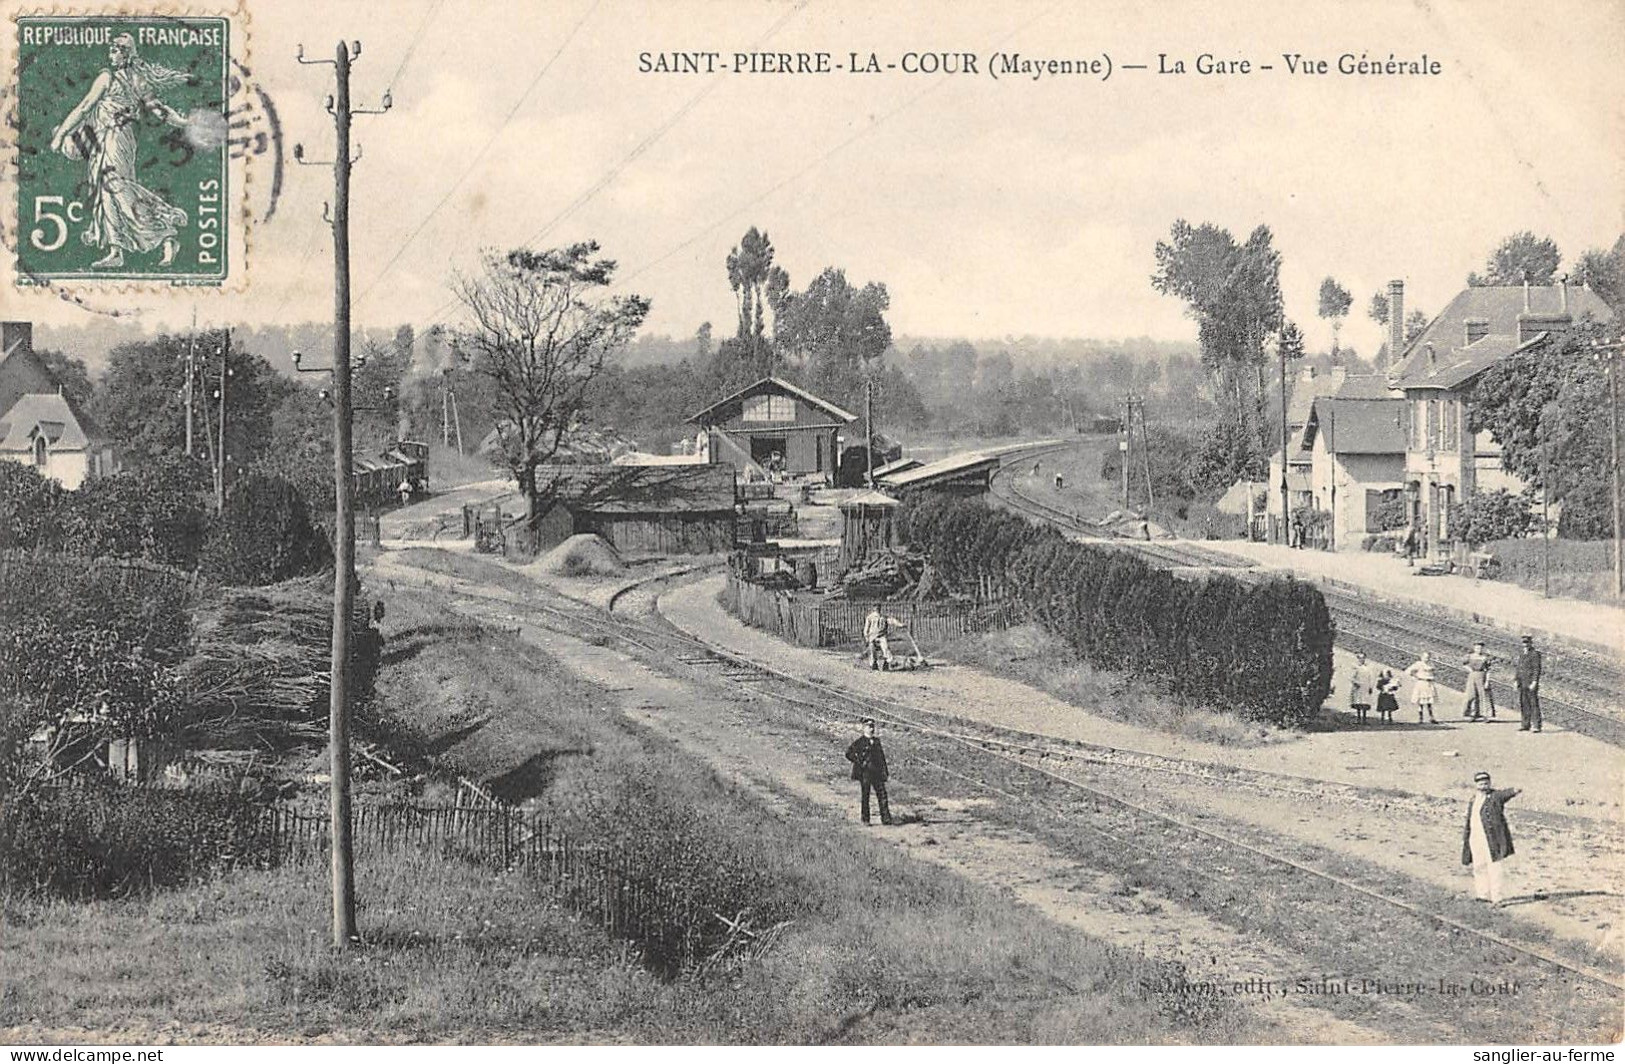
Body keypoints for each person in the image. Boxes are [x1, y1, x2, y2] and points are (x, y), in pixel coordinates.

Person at [49, 34, 190, 269]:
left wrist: (61, 134)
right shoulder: (137, 80)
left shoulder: (109, 77)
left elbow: (85, 108)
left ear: (125, 54)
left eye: (114, 51)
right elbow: (160, 112)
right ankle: (116, 251)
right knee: (107, 193)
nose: (110, 55)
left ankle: (166, 230)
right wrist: (183, 123)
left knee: (118, 189)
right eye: (110, 50)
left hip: (117, 139)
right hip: (104, 139)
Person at [1461, 771, 1520, 904]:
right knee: (1479, 866)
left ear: (1490, 783)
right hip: (1475, 838)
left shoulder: (1495, 797)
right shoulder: (1473, 799)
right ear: (1476, 785)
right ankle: (1482, 894)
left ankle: (1497, 897)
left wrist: (1515, 790)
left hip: (1492, 839)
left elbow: (1506, 794)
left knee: (1494, 867)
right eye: (1481, 783)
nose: (1483, 786)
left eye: (1486, 783)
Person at [845, 718, 893, 826]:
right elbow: (848, 754)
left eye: (872, 727)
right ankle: (865, 819)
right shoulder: (859, 742)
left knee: (882, 795)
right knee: (865, 796)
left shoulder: (876, 742)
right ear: (863, 728)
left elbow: (881, 758)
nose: (871, 729)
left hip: (876, 772)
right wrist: (859, 762)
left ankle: (886, 819)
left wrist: (884, 771)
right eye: (868, 727)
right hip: (865, 773)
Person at [1513, 635, 1543, 733]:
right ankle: (1525, 724)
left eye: (1527, 643)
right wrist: (1516, 680)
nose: (1525, 645)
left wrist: (1534, 682)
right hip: (1522, 682)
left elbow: (1536, 669)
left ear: (1530, 643)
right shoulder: (1521, 654)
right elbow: (1518, 668)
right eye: (1524, 643)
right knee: (1523, 703)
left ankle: (1536, 725)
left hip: (1530, 683)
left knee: (1533, 704)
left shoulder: (1535, 654)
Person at [1461, 641, 1495, 721]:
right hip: (1472, 676)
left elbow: (1489, 669)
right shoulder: (1469, 656)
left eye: (1480, 648)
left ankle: (1485, 715)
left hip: (1482, 675)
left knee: (1483, 695)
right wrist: (1469, 670)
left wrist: (1487, 681)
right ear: (1474, 648)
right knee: (1471, 695)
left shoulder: (1485, 657)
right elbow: (1464, 664)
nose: (1478, 649)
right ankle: (1472, 714)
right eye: (1477, 648)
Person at [863, 605, 903, 671]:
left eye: (878, 607)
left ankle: (886, 664)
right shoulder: (870, 617)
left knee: (886, 648)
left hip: (882, 636)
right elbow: (866, 628)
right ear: (873, 608)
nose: (877, 609)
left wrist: (900, 624)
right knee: (872, 650)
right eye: (875, 607)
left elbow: (892, 620)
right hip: (872, 636)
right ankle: (873, 664)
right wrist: (866, 637)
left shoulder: (883, 617)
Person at [1405, 651, 1439, 724]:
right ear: (1421, 657)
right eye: (1425, 657)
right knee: (1421, 702)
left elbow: (1434, 672)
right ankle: (1420, 718)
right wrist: (1416, 676)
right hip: (1421, 683)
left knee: (1429, 702)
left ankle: (1431, 717)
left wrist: (1432, 677)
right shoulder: (1418, 664)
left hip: (1429, 683)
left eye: (1428, 658)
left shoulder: (1431, 664)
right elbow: (1408, 671)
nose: (1427, 659)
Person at [1349, 652, 1377, 725]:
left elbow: (1371, 677)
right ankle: (1358, 719)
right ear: (1358, 659)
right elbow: (1352, 677)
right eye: (1360, 658)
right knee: (1358, 703)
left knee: (1365, 703)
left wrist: (1370, 686)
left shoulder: (1367, 668)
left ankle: (1364, 719)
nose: (1362, 659)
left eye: (1363, 658)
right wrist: (1356, 683)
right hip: (1358, 687)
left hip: (1365, 686)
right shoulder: (1355, 667)